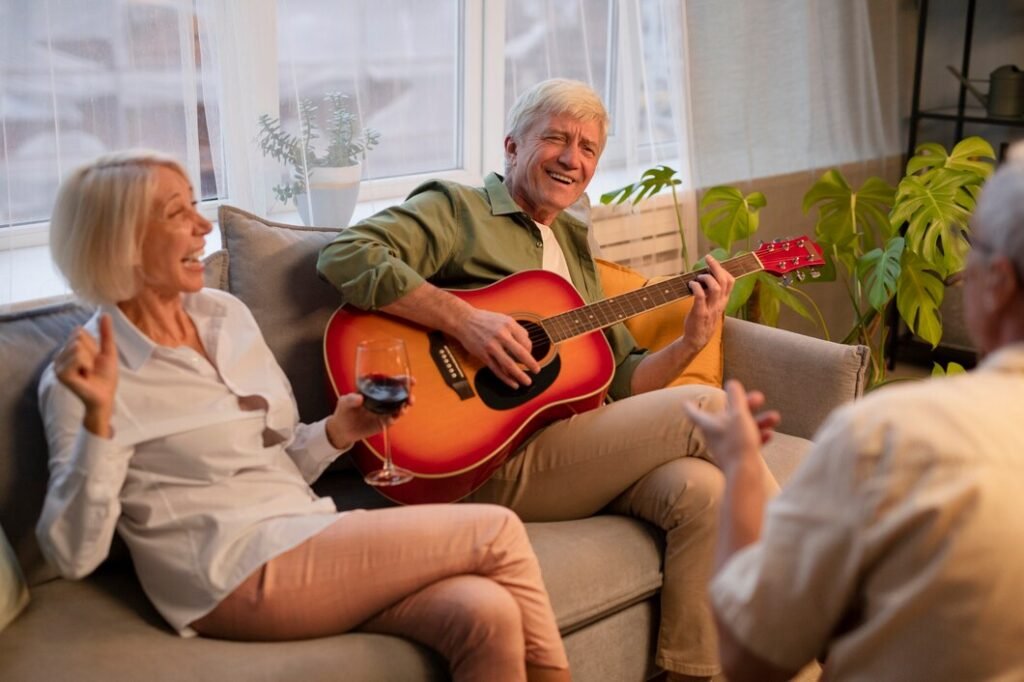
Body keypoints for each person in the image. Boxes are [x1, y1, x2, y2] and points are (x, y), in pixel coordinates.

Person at [35, 150, 570, 682]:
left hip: (305, 530)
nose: (202, 226)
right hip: (226, 574)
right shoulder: (85, 376)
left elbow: (280, 460)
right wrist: (98, 425)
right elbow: (72, 556)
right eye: (177, 214)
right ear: (119, 241)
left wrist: (340, 431)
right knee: (497, 531)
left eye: (197, 206)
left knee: (484, 613)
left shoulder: (225, 316)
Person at [318, 78, 774, 681]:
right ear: (511, 146)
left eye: (587, 148)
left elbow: (625, 377)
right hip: (479, 457)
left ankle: (690, 674)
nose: (572, 158)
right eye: (555, 138)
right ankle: (815, 569)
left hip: (572, 449)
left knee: (703, 493)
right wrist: (467, 322)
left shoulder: (572, 241)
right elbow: (347, 254)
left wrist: (692, 339)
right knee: (711, 406)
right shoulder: (460, 211)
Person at [685, 145, 1024, 681]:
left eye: (969, 248)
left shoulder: (891, 433)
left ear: (1000, 282)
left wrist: (743, 465)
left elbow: (752, 658)